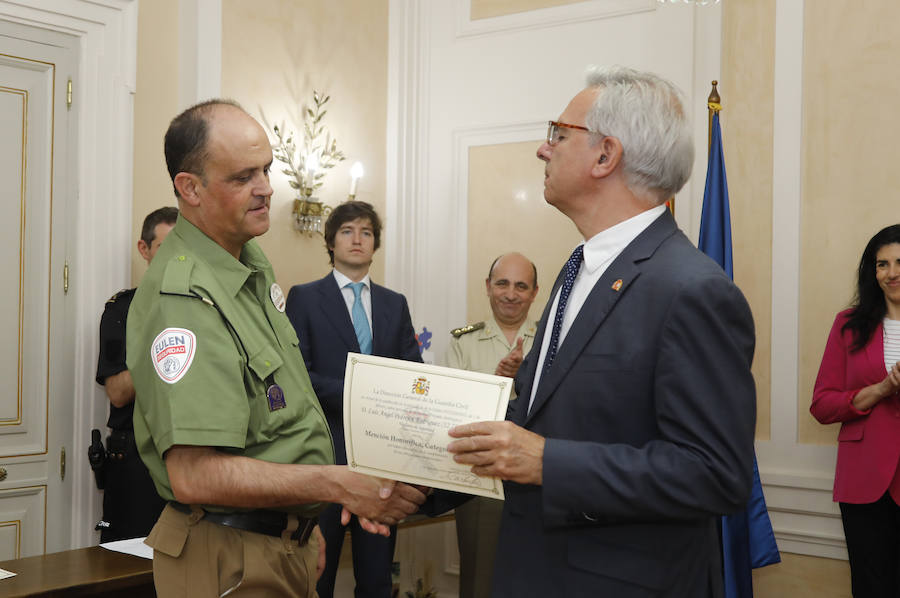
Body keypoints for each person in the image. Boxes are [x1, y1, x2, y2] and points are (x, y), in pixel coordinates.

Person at [445, 66, 757, 598]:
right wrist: (410, 480)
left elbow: (715, 472)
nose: (544, 150)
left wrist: (548, 461)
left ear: (605, 155)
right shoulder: (576, 271)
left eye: (559, 134)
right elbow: (532, 418)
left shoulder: (692, 290)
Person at [127, 100, 425, 597]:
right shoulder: (184, 297)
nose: (266, 187)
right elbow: (195, 475)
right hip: (227, 554)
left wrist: (301, 529)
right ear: (190, 188)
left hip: (276, 543)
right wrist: (334, 485)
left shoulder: (250, 264)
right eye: (243, 176)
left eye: (266, 169)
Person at [285, 200, 422, 598]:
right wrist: (361, 392)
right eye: (347, 231)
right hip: (323, 455)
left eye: (366, 232)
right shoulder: (305, 297)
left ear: (375, 243)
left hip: (382, 463)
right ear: (331, 241)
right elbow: (297, 376)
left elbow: (413, 373)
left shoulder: (394, 303)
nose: (357, 239)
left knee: (377, 578)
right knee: (318, 576)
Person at [811, 224, 900, 598]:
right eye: (882, 264)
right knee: (871, 586)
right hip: (865, 482)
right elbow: (822, 404)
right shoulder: (848, 326)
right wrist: (881, 389)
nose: (892, 273)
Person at [445, 252, 538, 598]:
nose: (511, 293)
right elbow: (450, 410)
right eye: (502, 283)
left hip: (537, 478)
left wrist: (522, 379)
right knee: (479, 580)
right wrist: (497, 381)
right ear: (488, 287)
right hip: (479, 479)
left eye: (521, 285)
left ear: (534, 292)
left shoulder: (551, 342)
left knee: (534, 579)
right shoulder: (462, 342)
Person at [94, 206, 177, 542]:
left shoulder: (205, 308)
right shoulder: (121, 310)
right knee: (124, 566)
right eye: (166, 247)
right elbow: (118, 392)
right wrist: (165, 337)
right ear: (145, 250)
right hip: (136, 461)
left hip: (190, 454)